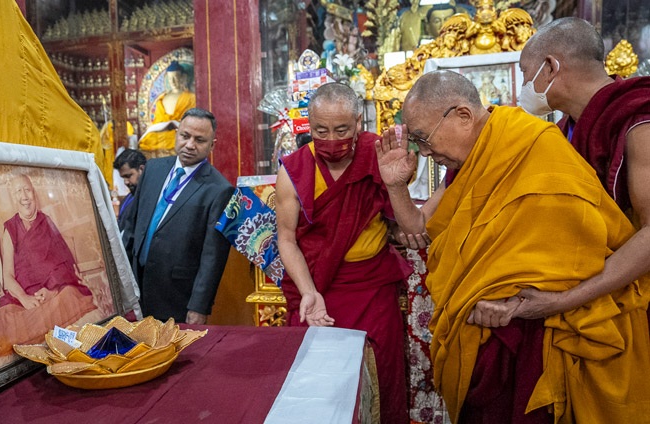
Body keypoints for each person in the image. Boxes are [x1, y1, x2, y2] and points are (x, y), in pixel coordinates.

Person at [376, 70, 650, 422]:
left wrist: (515, 299)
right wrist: (396, 187)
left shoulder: (534, 144)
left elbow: (576, 248)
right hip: (490, 338)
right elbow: (420, 231)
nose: (426, 153)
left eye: (424, 139)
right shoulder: (467, 162)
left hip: (546, 334)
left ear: (462, 115)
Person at [276, 82, 412, 423]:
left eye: (342, 129)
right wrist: (309, 292)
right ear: (309, 124)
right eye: (321, 130)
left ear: (358, 123)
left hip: (372, 288)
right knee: (320, 383)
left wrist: (395, 185)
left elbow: (405, 222)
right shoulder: (293, 169)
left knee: (382, 374)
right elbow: (287, 238)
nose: (331, 138)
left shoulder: (377, 154)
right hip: (319, 288)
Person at [505, 17, 650, 330]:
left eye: (525, 71)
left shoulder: (640, 122)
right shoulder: (561, 132)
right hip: (591, 296)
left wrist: (566, 299)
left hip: (635, 298)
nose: (524, 83)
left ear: (550, 67)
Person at [0, 174, 97, 357]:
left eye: (27, 190)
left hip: (50, 293)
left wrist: (51, 291)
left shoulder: (47, 222)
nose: (24, 196)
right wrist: (24, 298)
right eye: (18, 191)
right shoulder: (10, 229)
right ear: (13, 198)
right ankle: (53, 335)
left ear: (34, 194)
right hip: (23, 298)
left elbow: (63, 265)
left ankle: (47, 335)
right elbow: (8, 277)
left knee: (68, 295)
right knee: (3, 318)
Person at [125, 108, 233, 324]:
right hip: (137, 286)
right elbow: (132, 224)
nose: (190, 145)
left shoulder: (219, 189)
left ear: (212, 145)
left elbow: (213, 257)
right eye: (185, 136)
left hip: (177, 295)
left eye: (200, 140)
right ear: (177, 135)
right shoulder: (153, 169)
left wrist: (199, 307)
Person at [138, 61, 196, 158]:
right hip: (162, 134)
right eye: (170, 78)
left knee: (180, 140)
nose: (172, 81)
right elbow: (157, 122)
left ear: (182, 78)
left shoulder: (191, 98)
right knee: (146, 142)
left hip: (179, 132)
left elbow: (193, 121)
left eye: (175, 78)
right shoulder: (161, 99)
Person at [113, 148, 146, 254]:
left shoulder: (148, 197)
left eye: (129, 176)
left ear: (141, 169)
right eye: (123, 178)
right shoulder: (130, 196)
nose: (126, 182)